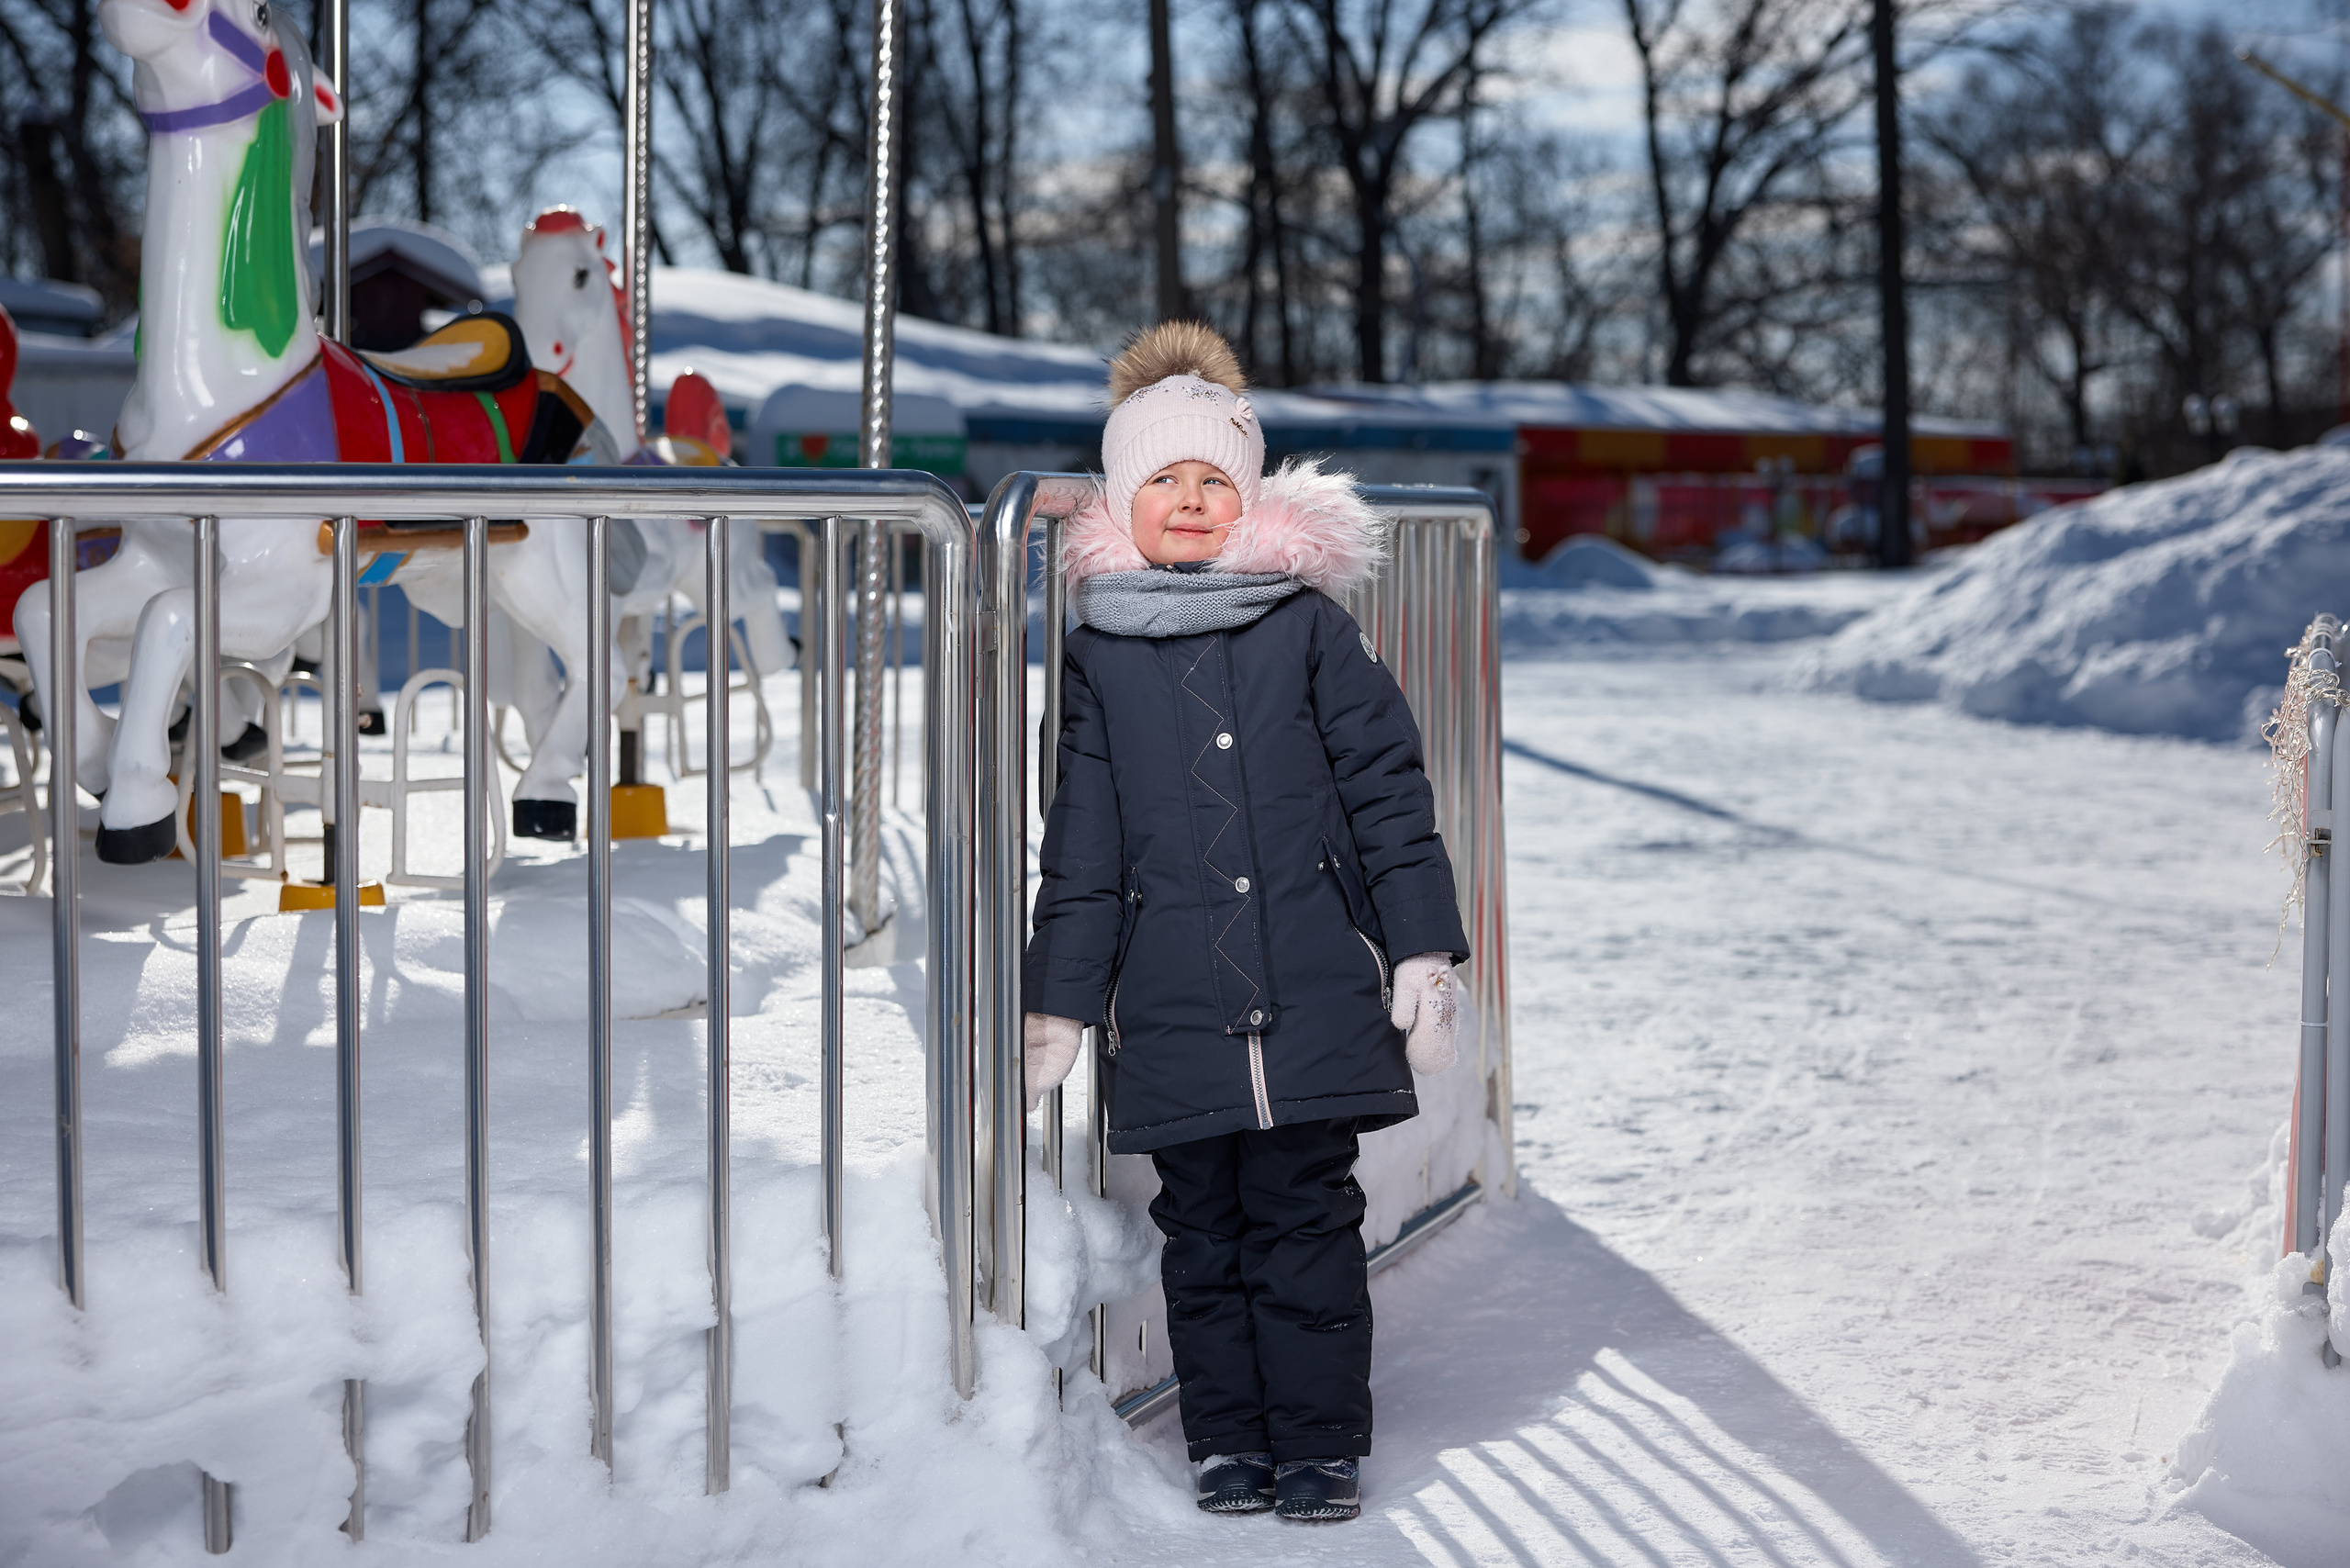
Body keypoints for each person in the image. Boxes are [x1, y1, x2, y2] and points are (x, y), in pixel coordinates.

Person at [1021, 321, 1469, 1525]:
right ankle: (1227, 1442)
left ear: (1247, 496)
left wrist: (1422, 952)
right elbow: (1084, 844)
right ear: (1123, 494)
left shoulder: (1308, 629)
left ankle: (1319, 1444)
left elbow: (1387, 792)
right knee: (1204, 1238)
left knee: (1308, 1228)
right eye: (1160, 477)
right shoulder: (1101, 656)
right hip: (1173, 1008)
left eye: (1211, 478)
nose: (1186, 498)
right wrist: (1059, 1001)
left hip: (1316, 989)